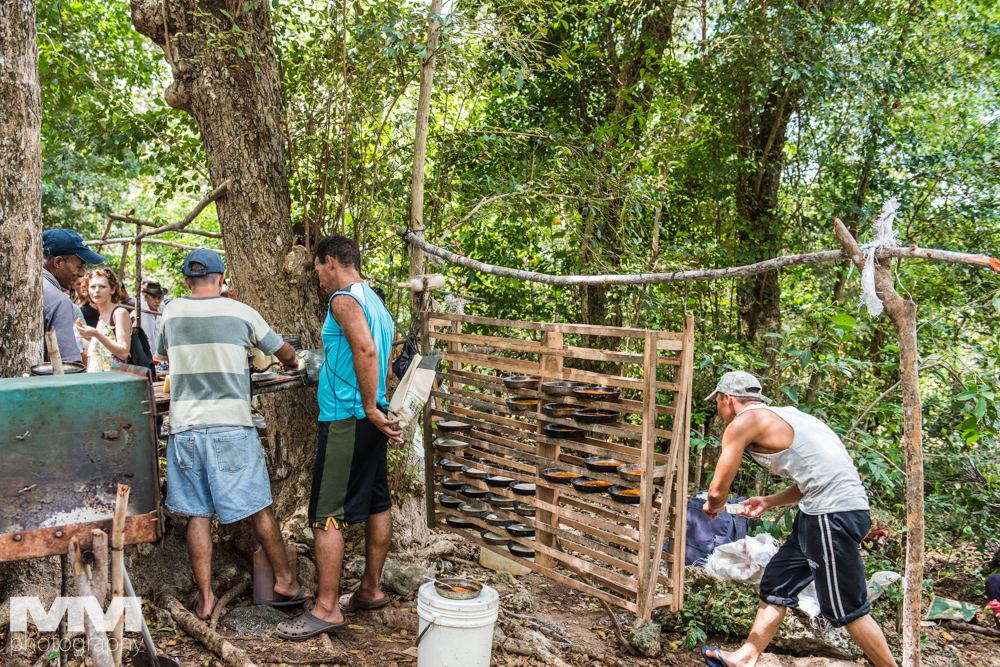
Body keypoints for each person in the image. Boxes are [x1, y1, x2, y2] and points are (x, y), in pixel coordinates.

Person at [699, 371, 896, 667]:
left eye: (717, 401)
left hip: (831, 516)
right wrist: (768, 501)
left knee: (847, 607)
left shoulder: (743, 422)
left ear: (727, 398)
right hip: (822, 511)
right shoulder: (789, 415)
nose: (717, 408)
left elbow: (717, 491)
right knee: (778, 584)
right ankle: (745, 657)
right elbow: (816, 477)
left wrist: (714, 504)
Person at [155, 249, 311, 620]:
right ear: (222, 279)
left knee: (197, 514)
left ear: (186, 281)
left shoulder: (171, 311)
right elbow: (286, 353)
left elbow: (164, 354)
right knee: (259, 508)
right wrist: (290, 361)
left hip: (185, 428)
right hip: (230, 426)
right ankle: (286, 582)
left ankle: (206, 598)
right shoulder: (242, 312)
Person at [276, 235, 402, 640]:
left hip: (348, 417)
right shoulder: (376, 302)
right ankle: (370, 588)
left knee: (326, 511)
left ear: (330, 262)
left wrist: (366, 407)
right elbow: (381, 355)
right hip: (370, 415)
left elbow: (365, 350)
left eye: (317, 269)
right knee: (378, 500)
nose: (318, 279)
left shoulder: (344, 299)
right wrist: (378, 403)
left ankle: (327, 608)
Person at [42, 229, 105, 364]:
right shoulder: (60, 301)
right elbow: (67, 365)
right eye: (79, 266)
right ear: (58, 262)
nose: (82, 273)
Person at [77, 269, 132, 373]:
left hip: (114, 381)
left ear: (112, 290)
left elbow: (123, 352)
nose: (97, 290)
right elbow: (103, 351)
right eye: (92, 287)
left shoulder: (119, 313)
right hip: (97, 382)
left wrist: (96, 334)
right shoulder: (101, 316)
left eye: (102, 286)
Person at [137, 281, 166, 349]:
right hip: (144, 355)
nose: (157, 301)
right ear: (146, 297)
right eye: (153, 297)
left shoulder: (161, 315)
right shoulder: (139, 314)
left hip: (158, 357)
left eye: (159, 298)